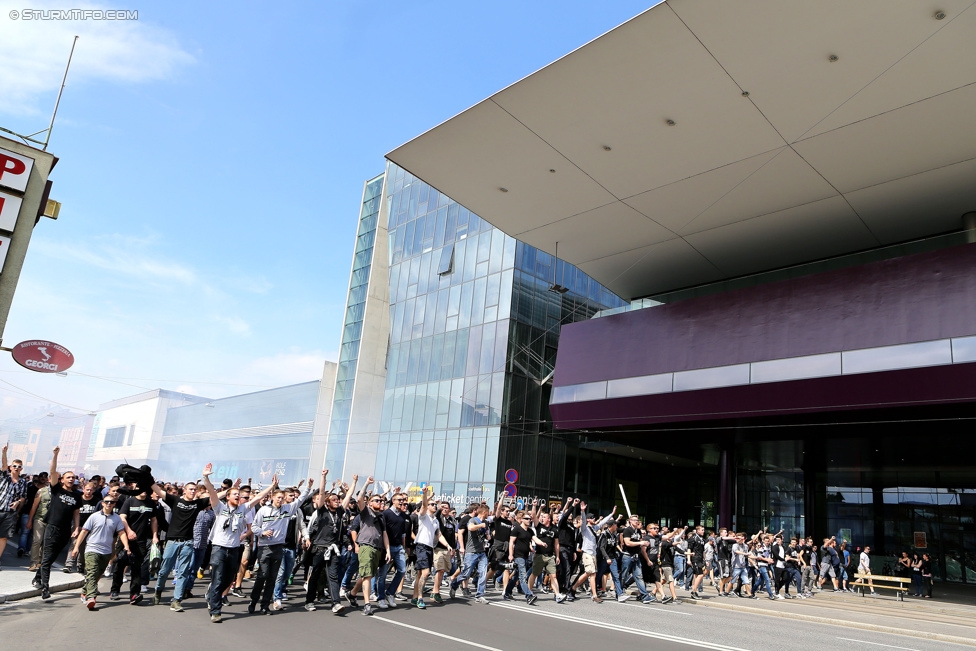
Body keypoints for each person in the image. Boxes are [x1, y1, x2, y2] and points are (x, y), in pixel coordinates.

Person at [249, 474, 313, 614]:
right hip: (265, 547)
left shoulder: (287, 509)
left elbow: (301, 500)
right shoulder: (264, 510)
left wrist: (308, 487)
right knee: (262, 575)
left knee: (272, 578)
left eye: (282, 498)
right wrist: (262, 533)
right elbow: (254, 527)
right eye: (278, 498)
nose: (281, 500)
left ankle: (265, 605)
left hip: (279, 547)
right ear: (272, 497)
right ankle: (253, 601)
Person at [304, 471, 357, 614]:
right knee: (315, 575)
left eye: (338, 500)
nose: (337, 501)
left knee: (332, 576)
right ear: (327, 502)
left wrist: (354, 483)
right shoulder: (322, 511)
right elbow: (321, 492)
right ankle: (309, 601)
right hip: (319, 548)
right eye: (334, 499)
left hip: (334, 549)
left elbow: (348, 497)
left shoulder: (340, 511)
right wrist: (323, 477)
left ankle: (336, 603)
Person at [34, 447, 81, 600]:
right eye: (68, 477)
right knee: (47, 557)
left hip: (65, 531)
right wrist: (55, 455)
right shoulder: (56, 490)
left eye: (73, 477)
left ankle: (38, 577)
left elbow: (76, 512)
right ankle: (45, 588)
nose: (71, 479)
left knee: (51, 558)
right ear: (62, 480)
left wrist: (77, 527)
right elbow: (52, 471)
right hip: (52, 527)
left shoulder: (76, 495)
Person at [71, 492, 129, 610]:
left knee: (98, 574)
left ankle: (84, 591)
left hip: (106, 551)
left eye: (111, 502)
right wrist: (76, 547)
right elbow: (84, 532)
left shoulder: (117, 518)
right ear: (102, 503)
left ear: (114, 504)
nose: (109, 504)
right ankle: (91, 597)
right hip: (92, 549)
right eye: (106, 502)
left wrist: (126, 546)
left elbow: (121, 533)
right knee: (92, 572)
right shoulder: (94, 516)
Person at [346, 476, 392, 616]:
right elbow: (360, 499)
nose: (381, 502)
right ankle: (367, 604)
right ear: (371, 503)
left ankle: (352, 593)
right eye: (377, 500)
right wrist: (366, 483)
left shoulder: (382, 516)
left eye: (381, 500)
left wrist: (388, 550)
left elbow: (384, 534)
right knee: (367, 576)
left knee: (368, 575)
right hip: (366, 546)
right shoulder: (366, 512)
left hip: (378, 549)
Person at [111, 485, 158, 604]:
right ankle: (115, 590)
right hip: (125, 539)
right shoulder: (129, 501)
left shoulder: (150, 503)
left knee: (137, 568)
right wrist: (129, 530)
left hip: (141, 541)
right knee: (119, 565)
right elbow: (122, 517)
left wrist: (154, 536)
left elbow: (154, 520)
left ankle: (134, 594)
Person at [411, 485, 448, 609]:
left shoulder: (436, 520)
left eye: (435, 505)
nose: (434, 506)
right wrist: (425, 494)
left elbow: (439, 535)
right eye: (432, 504)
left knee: (420, 574)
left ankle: (414, 597)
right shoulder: (423, 516)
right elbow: (423, 506)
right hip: (421, 546)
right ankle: (420, 598)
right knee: (426, 573)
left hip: (429, 548)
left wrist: (448, 545)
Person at [570, 502, 615, 603]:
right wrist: (582, 511)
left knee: (590, 574)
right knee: (591, 573)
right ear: (588, 520)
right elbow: (583, 520)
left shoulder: (594, 528)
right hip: (587, 554)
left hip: (593, 554)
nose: (595, 519)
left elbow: (603, 522)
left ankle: (578, 590)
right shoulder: (585, 529)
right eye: (593, 518)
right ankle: (586, 592)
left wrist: (611, 514)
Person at [450, 503, 491, 604]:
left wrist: (488, 536)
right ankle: (454, 585)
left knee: (483, 573)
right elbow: (470, 528)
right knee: (465, 574)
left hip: (481, 552)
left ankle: (480, 595)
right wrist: (481, 525)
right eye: (488, 512)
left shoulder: (486, 522)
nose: (489, 514)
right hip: (471, 552)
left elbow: (487, 535)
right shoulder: (472, 520)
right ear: (484, 512)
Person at [377, 488, 410, 609]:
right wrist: (384, 549)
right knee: (383, 574)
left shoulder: (403, 515)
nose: (402, 502)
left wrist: (404, 546)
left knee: (401, 571)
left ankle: (390, 593)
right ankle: (381, 598)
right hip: (387, 548)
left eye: (403, 500)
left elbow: (403, 534)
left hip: (399, 547)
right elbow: (382, 532)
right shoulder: (386, 514)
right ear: (393, 500)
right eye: (399, 500)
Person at [0, 442, 30, 569]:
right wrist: (5, 452)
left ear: (21, 469)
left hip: (10, 513)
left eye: (19, 466)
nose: (17, 468)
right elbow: (3, 465)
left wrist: (18, 502)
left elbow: (23, 496)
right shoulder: (4, 476)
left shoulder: (23, 482)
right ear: (11, 467)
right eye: (15, 466)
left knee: (3, 537)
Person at [526, 504, 564, 603]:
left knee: (553, 576)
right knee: (534, 574)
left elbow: (556, 544)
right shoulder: (539, 526)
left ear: (549, 519)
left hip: (550, 556)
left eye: (544, 517)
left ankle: (557, 595)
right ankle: (529, 593)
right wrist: (535, 506)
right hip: (539, 555)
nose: (542, 518)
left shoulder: (554, 529)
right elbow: (534, 516)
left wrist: (557, 556)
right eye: (542, 517)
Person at [64, 480, 102, 574]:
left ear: (93, 491)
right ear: (83, 489)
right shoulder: (78, 499)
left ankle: (80, 565)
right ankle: (69, 564)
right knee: (74, 543)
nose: (88, 492)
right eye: (87, 490)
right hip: (78, 525)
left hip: (90, 528)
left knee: (84, 547)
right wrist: (77, 527)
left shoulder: (97, 501)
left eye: (91, 490)